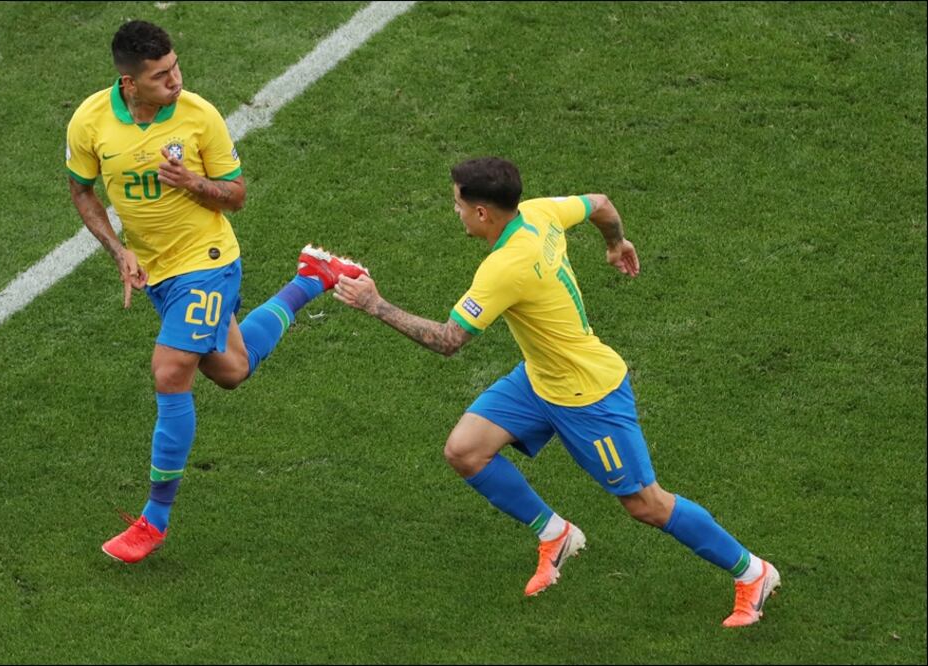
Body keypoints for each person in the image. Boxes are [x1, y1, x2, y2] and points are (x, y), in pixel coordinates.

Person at [333, 157, 780, 627]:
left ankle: (753, 572)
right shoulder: (539, 212)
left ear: (482, 212)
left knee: (646, 504)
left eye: (458, 204)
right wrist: (617, 244)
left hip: (588, 395)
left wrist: (375, 304)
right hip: (540, 378)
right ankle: (556, 533)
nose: (456, 212)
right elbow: (600, 204)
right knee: (465, 450)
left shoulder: (504, 268)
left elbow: (448, 340)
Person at [66, 20, 368, 564]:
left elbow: (236, 195)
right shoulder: (90, 122)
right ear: (129, 83)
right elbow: (82, 191)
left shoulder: (199, 116)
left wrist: (193, 183)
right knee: (231, 370)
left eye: (176, 66)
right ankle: (313, 277)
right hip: (158, 273)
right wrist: (118, 250)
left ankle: (154, 520)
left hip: (208, 263)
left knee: (169, 370)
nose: (176, 80)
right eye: (161, 75)